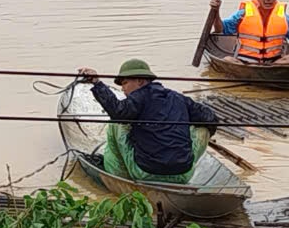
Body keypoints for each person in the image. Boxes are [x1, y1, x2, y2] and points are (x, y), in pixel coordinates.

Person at [76, 58, 218, 184]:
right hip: (183, 174)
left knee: (117, 123)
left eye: (125, 83)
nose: (123, 89)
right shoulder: (178, 98)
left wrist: (96, 82)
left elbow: (118, 112)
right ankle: (182, 164)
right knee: (202, 128)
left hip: (145, 173)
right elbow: (211, 119)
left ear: (140, 81)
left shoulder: (138, 98)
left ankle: (118, 174)